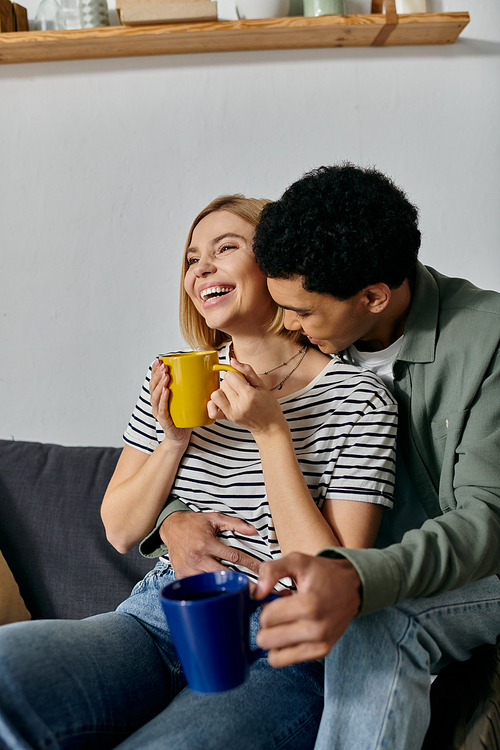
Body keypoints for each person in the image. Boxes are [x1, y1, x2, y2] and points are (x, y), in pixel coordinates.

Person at [0, 193, 398, 750]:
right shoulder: (173, 378)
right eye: (191, 258)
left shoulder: (359, 399)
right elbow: (118, 528)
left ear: (277, 267)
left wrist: (270, 432)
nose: (200, 267)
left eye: (225, 248)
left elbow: (330, 574)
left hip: (280, 646)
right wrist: (173, 440)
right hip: (159, 617)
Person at [153, 165, 500, 750]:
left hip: (475, 570)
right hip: (354, 568)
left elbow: (487, 522)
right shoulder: (305, 344)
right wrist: (171, 519)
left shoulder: (486, 341)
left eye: (303, 313)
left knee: (382, 623)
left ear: (373, 297)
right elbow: (235, 470)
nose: (286, 323)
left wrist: (357, 578)